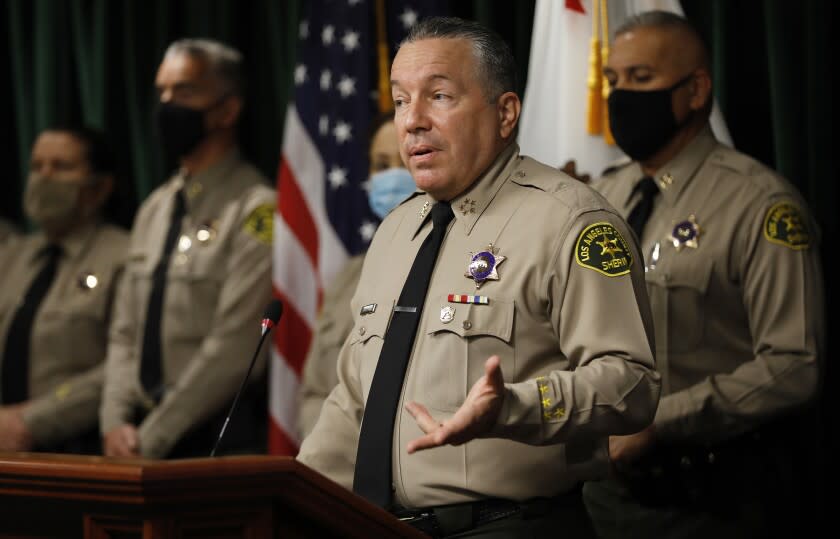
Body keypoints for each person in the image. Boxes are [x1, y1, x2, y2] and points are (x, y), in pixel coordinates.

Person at [297, 17, 661, 538]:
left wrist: (514, 406)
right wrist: (289, 498)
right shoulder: (397, 230)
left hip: (510, 527)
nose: (413, 122)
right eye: (401, 101)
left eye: (438, 96)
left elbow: (633, 383)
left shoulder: (571, 222)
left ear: (505, 112)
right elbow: (355, 397)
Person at [583, 11, 825, 538]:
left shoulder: (759, 204)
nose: (621, 97)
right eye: (613, 81)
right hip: (602, 499)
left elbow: (794, 363)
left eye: (641, 79)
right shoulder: (604, 199)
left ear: (695, 90)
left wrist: (661, 422)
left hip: (712, 501)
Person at [99, 39, 275, 459]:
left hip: (213, 442)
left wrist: (152, 439)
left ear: (227, 110)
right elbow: (125, 334)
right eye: (162, 91)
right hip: (134, 437)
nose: (166, 103)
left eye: (184, 91)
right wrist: (114, 423)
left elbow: (234, 347)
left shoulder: (259, 209)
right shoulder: (156, 208)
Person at [0, 126, 127, 453]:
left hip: (76, 450)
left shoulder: (124, 257)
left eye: (61, 167)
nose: (45, 177)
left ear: (99, 187)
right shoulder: (13, 256)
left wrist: (33, 420)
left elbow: (126, 362)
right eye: (37, 166)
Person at [297, 111, 416, 439]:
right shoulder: (349, 275)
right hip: (334, 475)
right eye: (381, 165)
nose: (393, 177)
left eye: (405, 162)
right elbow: (315, 391)